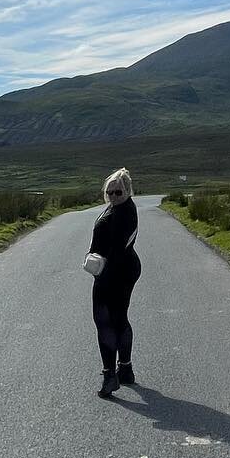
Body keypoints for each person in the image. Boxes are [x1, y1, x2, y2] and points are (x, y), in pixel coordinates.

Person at [90, 166, 141, 398]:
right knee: (119, 319)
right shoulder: (119, 208)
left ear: (128, 191)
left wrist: (103, 274)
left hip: (116, 273)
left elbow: (117, 250)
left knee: (105, 322)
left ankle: (110, 375)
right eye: (109, 192)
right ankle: (126, 369)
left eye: (118, 192)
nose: (113, 196)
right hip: (120, 269)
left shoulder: (124, 213)